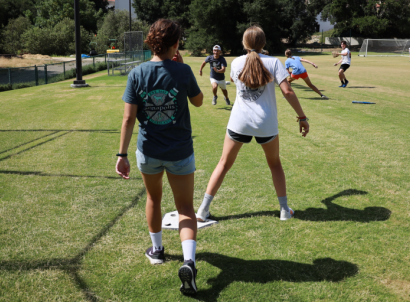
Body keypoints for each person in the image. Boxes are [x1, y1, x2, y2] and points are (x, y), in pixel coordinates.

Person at [116, 19, 203, 295]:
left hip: (148, 151)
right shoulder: (183, 71)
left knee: (153, 199)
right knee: (186, 208)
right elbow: (199, 101)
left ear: (151, 42)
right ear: (176, 44)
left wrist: (122, 154)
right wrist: (180, 65)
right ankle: (189, 261)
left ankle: (157, 251)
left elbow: (129, 119)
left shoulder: (137, 73)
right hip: (179, 152)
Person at [195, 26, 310, 223]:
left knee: (223, 164)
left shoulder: (237, 61)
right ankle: (284, 210)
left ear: (244, 43)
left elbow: (233, 78)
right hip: (266, 123)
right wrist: (302, 117)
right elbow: (288, 91)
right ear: (264, 43)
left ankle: (202, 211)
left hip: (239, 122)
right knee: (275, 164)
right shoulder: (274, 62)